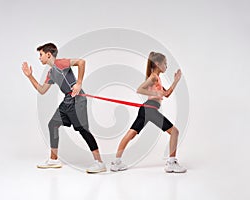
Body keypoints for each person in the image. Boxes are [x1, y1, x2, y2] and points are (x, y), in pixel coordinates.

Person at [22, 43, 106, 173]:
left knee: (83, 130)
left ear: (48, 54)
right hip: (67, 100)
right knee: (53, 124)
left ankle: (99, 163)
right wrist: (29, 76)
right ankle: (54, 160)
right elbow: (42, 90)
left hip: (77, 100)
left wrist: (79, 83)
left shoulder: (60, 63)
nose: (40, 58)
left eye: (41, 55)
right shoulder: (51, 72)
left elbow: (81, 62)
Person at [110, 52, 187, 173]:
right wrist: (155, 93)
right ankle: (171, 162)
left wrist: (176, 81)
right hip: (150, 109)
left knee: (131, 135)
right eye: (165, 63)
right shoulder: (153, 77)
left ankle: (116, 162)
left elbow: (166, 94)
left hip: (146, 110)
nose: (166, 66)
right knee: (175, 132)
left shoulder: (157, 78)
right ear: (157, 64)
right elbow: (140, 89)